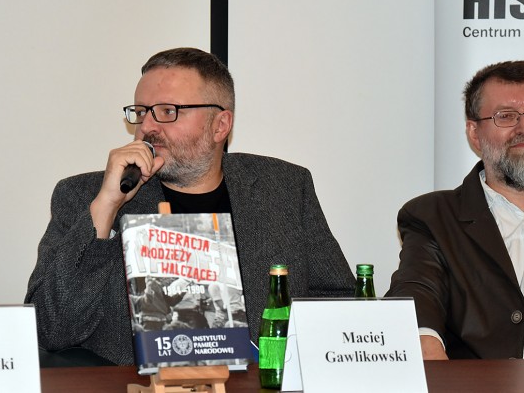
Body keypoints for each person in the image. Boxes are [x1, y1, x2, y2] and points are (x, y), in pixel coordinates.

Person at [25, 47, 354, 365]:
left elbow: (339, 301)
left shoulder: (283, 187)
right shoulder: (85, 196)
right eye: (141, 112)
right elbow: (50, 330)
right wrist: (107, 207)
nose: (147, 128)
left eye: (168, 111)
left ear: (220, 125)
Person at [386, 60, 524, 360]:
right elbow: (417, 289)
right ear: (474, 133)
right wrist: (423, 342)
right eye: (506, 116)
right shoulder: (434, 217)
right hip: (492, 380)